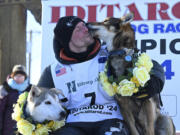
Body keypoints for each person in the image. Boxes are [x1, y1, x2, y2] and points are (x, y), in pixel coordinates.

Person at [37, 16, 165, 135]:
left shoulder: (112, 52)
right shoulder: (53, 71)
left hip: (112, 118)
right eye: (78, 29)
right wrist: (28, 118)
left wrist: (155, 80)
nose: (86, 28)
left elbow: (151, 65)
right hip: (74, 123)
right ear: (68, 40)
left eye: (84, 25)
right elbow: (37, 101)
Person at [0, 65, 32, 135]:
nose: (19, 78)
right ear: (12, 77)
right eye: (16, 75)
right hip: (9, 127)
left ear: (25, 77)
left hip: (26, 127)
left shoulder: (30, 90)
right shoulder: (6, 89)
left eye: (21, 76)